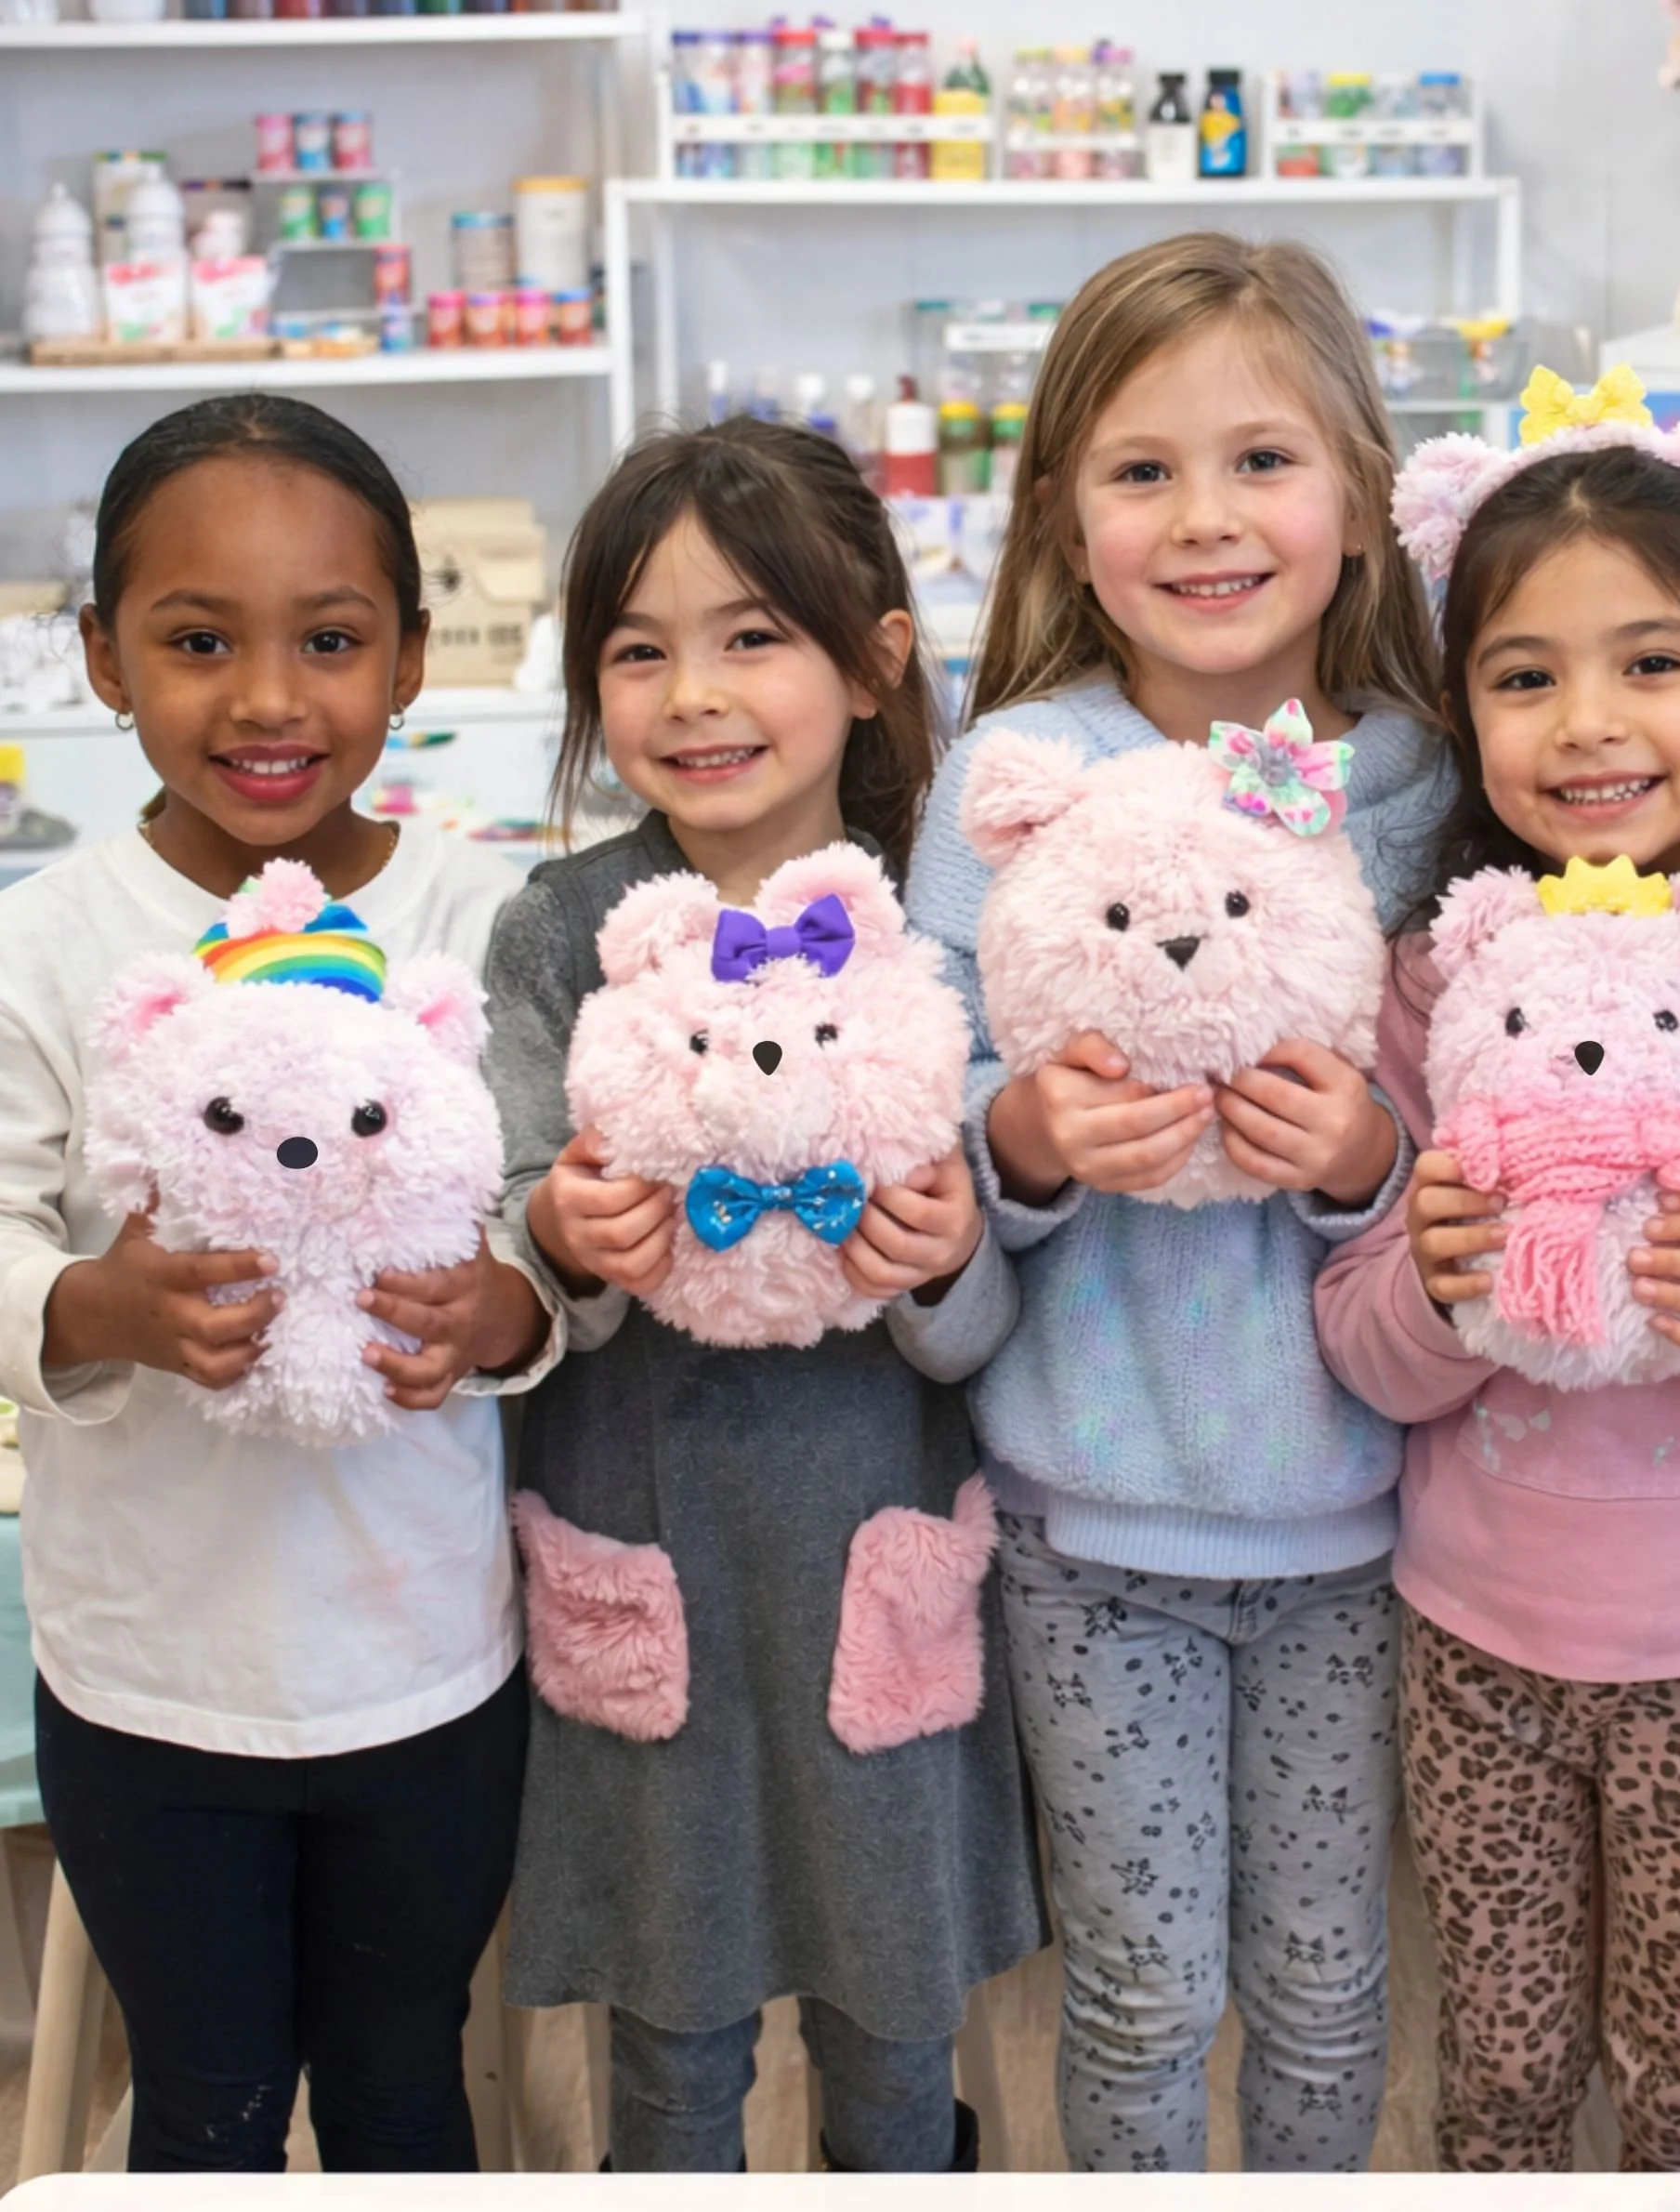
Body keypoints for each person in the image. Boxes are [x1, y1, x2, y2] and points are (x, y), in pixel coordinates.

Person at [905, 230, 1450, 2172]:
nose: (1203, 519)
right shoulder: (1011, 777)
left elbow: (1477, 1116)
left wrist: (1362, 1157)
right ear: (1061, 514)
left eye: (1259, 460)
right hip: (1084, 1514)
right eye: (1142, 470)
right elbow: (929, 1078)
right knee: (1134, 1984)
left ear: (1365, 503)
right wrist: (1028, 1138)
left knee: (1324, 1982)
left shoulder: (1421, 778)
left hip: (1353, 1524)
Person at [486, 417, 1045, 2174]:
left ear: (876, 660)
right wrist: (564, 1237)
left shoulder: (948, 935)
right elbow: (516, 1234)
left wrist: (943, 1257)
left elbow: (985, 1304)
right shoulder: (559, 931)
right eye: (638, 650)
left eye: (752, 636)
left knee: (894, 2024)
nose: (693, 693)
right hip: (647, 1535)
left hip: (869, 1544)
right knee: (671, 2035)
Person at [0, 394, 551, 2170]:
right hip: (147, 1676)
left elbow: (559, 1220)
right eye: (195, 640)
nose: (265, 699)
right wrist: (95, 1307)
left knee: (404, 2091)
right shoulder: (48, 941)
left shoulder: (487, 920)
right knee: (208, 2106)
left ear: (407, 658)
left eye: (328, 640)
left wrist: (512, 1308)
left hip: (426, 1667)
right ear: (101, 658)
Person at [1316, 375, 1680, 2170]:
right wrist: (1442, 1287)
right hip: (1474, 1629)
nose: (1588, 723)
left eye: (1654, 663)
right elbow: (1369, 1355)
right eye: (1525, 674)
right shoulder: (1435, 983)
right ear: (1464, 719)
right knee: (1505, 2078)